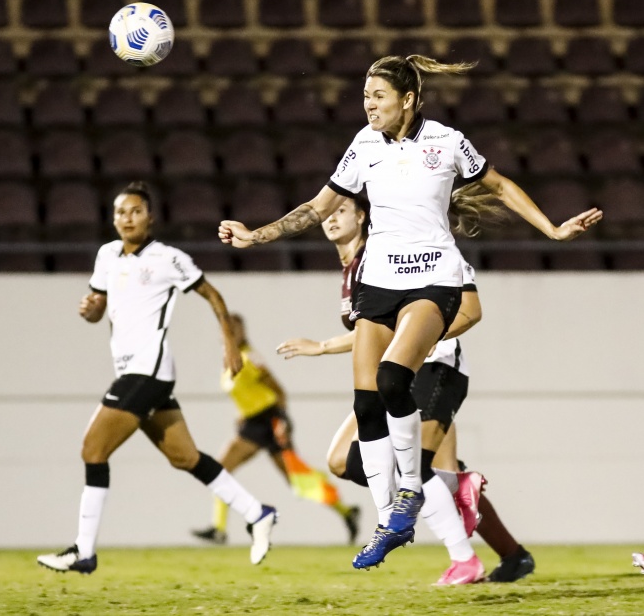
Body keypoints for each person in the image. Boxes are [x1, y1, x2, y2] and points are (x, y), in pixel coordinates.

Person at [218, 54, 602, 570]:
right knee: (367, 402)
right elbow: (318, 206)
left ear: (409, 99)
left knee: (394, 378)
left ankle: (410, 498)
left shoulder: (446, 141)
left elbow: (500, 185)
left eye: (378, 96)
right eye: (364, 97)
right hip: (378, 281)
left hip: (434, 277)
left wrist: (552, 229)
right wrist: (256, 234)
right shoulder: (364, 145)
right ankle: (389, 521)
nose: (369, 105)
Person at [278, 196, 534, 584]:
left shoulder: (394, 252)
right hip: (400, 377)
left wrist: (325, 346)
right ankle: (511, 554)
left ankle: (465, 558)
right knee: (346, 461)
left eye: (340, 210)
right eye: (326, 213)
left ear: (364, 215)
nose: (329, 218)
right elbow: (375, 332)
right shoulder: (354, 267)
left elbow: (462, 310)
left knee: (418, 470)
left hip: (433, 369)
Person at [37, 182, 278, 575]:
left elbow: (213, 296)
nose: (127, 218)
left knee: (92, 450)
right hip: (133, 370)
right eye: (120, 212)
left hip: (148, 371)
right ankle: (258, 512)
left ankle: (84, 550)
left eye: (135, 211)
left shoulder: (168, 258)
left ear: (150, 217)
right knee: (184, 457)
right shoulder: (106, 256)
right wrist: (90, 309)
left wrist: (229, 346)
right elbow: (99, 308)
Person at [191, 313, 360, 547]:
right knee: (223, 468)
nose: (230, 333)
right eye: (226, 329)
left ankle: (345, 510)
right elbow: (246, 394)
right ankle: (218, 528)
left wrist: (281, 421)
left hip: (269, 420)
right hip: (252, 424)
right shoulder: (230, 361)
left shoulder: (249, 357)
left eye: (235, 329)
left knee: (296, 479)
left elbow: (278, 391)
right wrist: (241, 415)